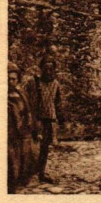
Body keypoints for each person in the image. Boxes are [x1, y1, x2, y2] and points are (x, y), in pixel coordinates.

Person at [24, 53, 63, 183]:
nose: (48, 71)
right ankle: (26, 173)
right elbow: (24, 98)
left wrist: (60, 118)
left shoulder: (56, 84)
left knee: (45, 148)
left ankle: (41, 173)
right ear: (41, 69)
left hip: (48, 120)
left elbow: (57, 102)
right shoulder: (33, 82)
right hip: (35, 119)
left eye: (50, 69)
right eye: (45, 68)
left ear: (54, 70)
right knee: (31, 146)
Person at [8, 63, 37, 192]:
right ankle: (12, 182)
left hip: (23, 129)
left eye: (13, 79)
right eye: (9, 79)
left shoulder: (21, 93)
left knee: (26, 155)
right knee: (12, 158)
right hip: (11, 131)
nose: (11, 81)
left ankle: (22, 178)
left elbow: (28, 109)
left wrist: (30, 122)